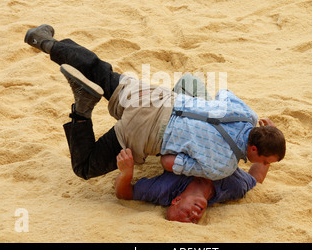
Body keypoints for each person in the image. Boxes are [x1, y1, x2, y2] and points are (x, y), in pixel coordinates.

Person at [24, 24, 285, 182]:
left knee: (100, 71)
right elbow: (167, 163)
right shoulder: (224, 167)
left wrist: (263, 129)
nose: (264, 164)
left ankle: (45, 41)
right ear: (252, 150)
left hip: (156, 98)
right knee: (84, 168)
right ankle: (82, 108)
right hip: (146, 132)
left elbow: (222, 94)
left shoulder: (247, 114)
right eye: (266, 161)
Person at [116, 147, 271, 224]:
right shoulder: (233, 187)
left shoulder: (165, 189)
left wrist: (126, 173)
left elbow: (125, 193)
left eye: (186, 215)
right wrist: (269, 150)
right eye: (195, 221)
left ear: (176, 200)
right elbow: (255, 179)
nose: (194, 216)